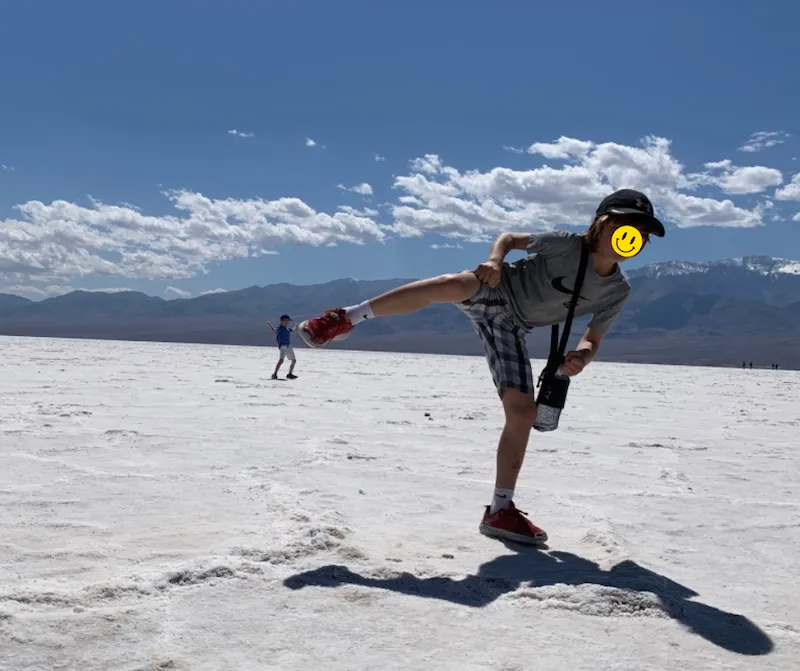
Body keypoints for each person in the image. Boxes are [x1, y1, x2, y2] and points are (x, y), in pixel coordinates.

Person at [297, 189, 665, 545]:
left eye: (642, 232)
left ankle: (500, 511)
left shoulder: (617, 291)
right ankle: (345, 318)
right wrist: (494, 261)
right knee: (453, 284)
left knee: (523, 413)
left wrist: (582, 357)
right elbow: (509, 239)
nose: (633, 236)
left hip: (511, 327)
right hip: (495, 288)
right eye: (626, 225)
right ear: (602, 223)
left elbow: (593, 338)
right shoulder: (565, 244)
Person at [268, 314, 298, 380]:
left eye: (288, 321)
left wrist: (296, 326)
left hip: (288, 346)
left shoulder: (287, 329)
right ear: (281, 321)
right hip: (283, 346)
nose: (287, 322)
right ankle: (275, 373)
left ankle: (290, 374)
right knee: (281, 360)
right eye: (286, 320)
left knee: (294, 360)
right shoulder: (279, 329)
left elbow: (292, 329)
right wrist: (270, 324)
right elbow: (274, 330)